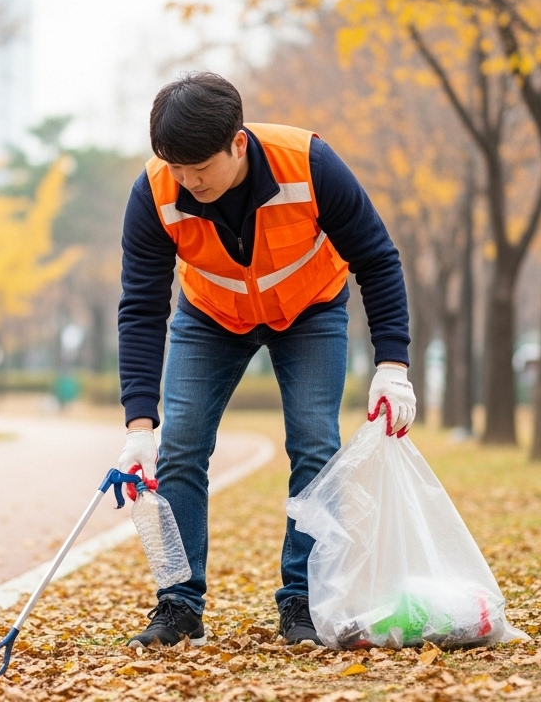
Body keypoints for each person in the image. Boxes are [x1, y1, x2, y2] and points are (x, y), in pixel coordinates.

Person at [116, 72, 415, 649]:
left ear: (237, 143)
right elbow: (142, 306)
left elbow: (377, 259)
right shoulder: (153, 192)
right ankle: (178, 605)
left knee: (314, 444)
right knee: (179, 447)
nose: (187, 181)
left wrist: (393, 366)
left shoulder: (309, 163)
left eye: (199, 168)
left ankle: (302, 600)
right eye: (176, 167)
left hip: (310, 309)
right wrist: (137, 423)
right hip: (211, 316)